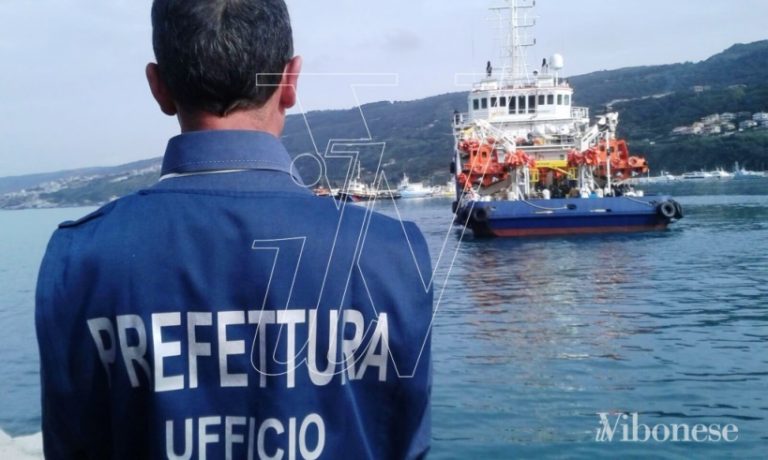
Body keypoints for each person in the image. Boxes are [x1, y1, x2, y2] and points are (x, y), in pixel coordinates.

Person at [35, 1, 433, 459]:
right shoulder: (393, 253)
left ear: (158, 87)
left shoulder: (80, 259)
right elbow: (405, 440)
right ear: (290, 81)